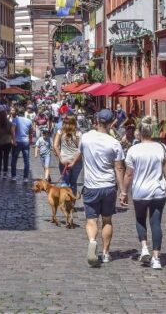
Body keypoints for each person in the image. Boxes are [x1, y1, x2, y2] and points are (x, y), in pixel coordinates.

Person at [68, 109, 124, 267]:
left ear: (97, 121)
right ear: (111, 123)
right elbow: (119, 168)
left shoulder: (86, 138)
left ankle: (92, 241)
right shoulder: (114, 143)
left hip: (91, 186)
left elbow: (79, 152)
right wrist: (123, 190)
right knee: (107, 220)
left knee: (91, 220)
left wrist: (72, 163)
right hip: (108, 186)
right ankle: (106, 253)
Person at [120, 116, 166, 270]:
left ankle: (144, 248)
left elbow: (128, 174)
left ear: (139, 132)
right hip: (158, 190)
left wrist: (123, 192)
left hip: (140, 191)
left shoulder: (133, 150)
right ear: (152, 132)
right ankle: (156, 258)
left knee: (140, 219)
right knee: (156, 223)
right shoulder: (161, 147)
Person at [53, 115, 82, 195]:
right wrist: (73, 162)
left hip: (64, 161)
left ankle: (64, 200)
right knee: (73, 182)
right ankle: (72, 201)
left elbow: (55, 145)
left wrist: (61, 158)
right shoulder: (78, 133)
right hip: (76, 161)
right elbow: (80, 149)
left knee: (64, 182)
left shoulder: (60, 132)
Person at [11, 107, 34, 182]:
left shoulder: (15, 119)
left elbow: (12, 130)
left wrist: (13, 140)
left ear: (17, 113)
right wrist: (30, 139)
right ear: (24, 113)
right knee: (26, 161)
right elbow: (31, 131)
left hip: (17, 142)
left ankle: (14, 176)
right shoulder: (29, 120)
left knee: (14, 159)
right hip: (25, 142)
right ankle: (25, 178)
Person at [0, 110, 14, 177]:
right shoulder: (9, 123)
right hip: (7, 142)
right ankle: (5, 171)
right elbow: (11, 132)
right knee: (6, 157)